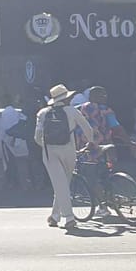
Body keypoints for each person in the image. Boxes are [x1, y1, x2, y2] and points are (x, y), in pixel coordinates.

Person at [36, 85, 94, 229]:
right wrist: (91, 142)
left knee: (59, 184)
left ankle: (57, 216)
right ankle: (67, 217)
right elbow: (88, 129)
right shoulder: (72, 111)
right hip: (69, 150)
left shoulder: (43, 113)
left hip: (50, 151)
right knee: (63, 183)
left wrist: (46, 146)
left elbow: (37, 137)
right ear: (67, 98)